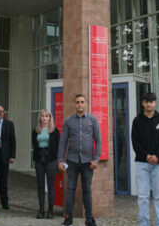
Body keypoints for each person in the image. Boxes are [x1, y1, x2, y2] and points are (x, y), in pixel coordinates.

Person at [58, 94, 101, 226]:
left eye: (82, 102)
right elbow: (63, 141)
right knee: (70, 189)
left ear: (86, 103)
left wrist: (96, 159)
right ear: (74, 104)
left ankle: (89, 219)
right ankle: (68, 218)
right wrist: (60, 159)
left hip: (88, 162)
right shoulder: (68, 121)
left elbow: (98, 140)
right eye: (77, 102)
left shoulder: (93, 120)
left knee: (87, 190)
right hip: (72, 161)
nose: (80, 104)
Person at [131, 92, 159, 226]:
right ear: (142, 103)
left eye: (151, 101)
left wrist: (157, 156)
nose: (148, 104)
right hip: (142, 163)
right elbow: (135, 142)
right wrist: (146, 155)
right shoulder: (137, 120)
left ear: (155, 103)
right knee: (143, 197)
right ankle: (144, 223)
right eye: (146, 101)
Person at [32, 108, 60, 220]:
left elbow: (58, 146)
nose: (44, 118)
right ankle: (41, 210)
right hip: (39, 160)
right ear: (40, 118)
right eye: (42, 116)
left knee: (51, 186)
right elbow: (34, 145)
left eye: (46, 116)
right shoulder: (35, 131)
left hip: (51, 160)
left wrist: (58, 159)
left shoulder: (54, 131)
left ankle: (50, 211)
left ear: (50, 118)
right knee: (40, 186)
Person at [0, 105, 16, 210]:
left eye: (1, 111)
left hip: (4, 155)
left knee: (3, 181)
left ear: (4, 113)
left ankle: (4, 203)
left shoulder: (9, 124)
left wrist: (12, 156)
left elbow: (12, 141)